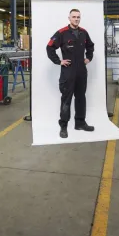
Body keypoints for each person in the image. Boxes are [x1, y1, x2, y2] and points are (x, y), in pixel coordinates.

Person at [46, 9, 95, 139]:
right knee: (66, 99)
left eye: (78, 17)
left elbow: (90, 46)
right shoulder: (62, 33)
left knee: (80, 97)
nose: (76, 19)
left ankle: (80, 123)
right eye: (74, 17)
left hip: (81, 71)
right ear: (69, 18)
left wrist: (88, 58)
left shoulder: (84, 33)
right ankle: (63, 126)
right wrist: (58, 61)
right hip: (68, 72)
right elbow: (50, 47)